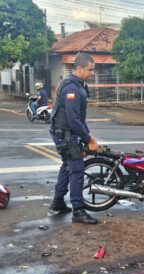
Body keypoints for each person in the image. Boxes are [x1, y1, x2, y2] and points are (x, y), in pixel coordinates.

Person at [49, 52, 99, 225]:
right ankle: (78, 210)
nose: (92, 73)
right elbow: (73, 119)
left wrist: (88, 137)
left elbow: (79, 118)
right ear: (79, 68)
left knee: (67, 166)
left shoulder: (78, 84)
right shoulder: (72, 88)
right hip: (66, 135)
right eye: (90, 70)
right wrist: (88, 139)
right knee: (77, 170)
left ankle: (58, 202)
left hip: (65, 134)